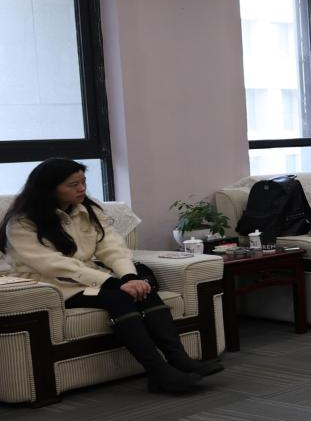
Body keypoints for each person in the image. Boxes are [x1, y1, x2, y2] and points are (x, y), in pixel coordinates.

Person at [0, 158, 222, 394]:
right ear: (49, 188)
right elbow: (54, 265)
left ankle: (179, 359)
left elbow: (112, 248)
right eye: (73, 184)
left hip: (89, 279)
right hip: (52, 286)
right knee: (119, 298)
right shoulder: (22, 223)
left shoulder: (88, 210)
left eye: (83, 182)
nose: (81, 188)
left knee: (143, 289)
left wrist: (128, 278)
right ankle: (158, 371)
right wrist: (113, 283)